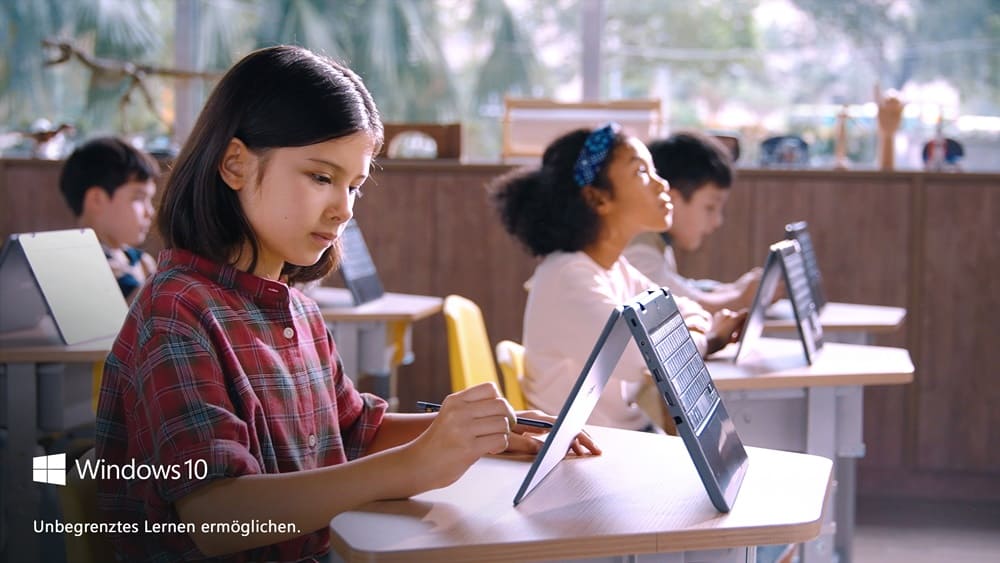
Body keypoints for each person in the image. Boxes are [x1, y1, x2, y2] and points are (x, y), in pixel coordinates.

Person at [95, 45, 598, 562]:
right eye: (320, 177)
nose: (343, 209)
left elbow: (354, 430)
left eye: (354, 185)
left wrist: (480, 431)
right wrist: (416, 465)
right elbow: (217, 516)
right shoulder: (176, 311)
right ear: (235, 164)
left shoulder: (297, 309)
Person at [490, 124, 745, 433]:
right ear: (598, 199)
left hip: (623, 437)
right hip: (587, 450)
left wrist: (688, 332)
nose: (661, 184)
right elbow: (650, 357)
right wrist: (710, 339)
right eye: (641, 173)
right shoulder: (568, 279)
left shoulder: (614, 268)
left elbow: (685, 309)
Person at [623, 131, 762, 313]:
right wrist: (741, 298)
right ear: (670, 199)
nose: (717, 221)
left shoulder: (655, 240)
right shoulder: (640, 252)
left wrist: (733, 289)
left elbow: (683, 288)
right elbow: (678, 309)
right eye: (710, 207)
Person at [59, 136, 159, 301]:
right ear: (97, 199)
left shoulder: (142, 262)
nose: (150, 212)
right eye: (138, 198)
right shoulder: (77, 270)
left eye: (150, 199)